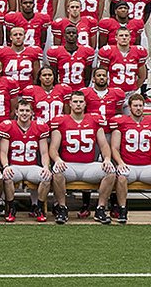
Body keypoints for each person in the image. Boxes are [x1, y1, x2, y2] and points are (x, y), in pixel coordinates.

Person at [49, 91, 116, 224]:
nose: (78, 104)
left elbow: (104, 145)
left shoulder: (94, 120)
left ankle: (100, 208)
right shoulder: (61, 121)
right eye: (75, 102)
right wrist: (57, 159)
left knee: (111, 171)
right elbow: (53, 148)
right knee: (57, 171)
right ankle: (62, 208)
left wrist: (107, 159)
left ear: (85, 104)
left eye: (81, 102)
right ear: (70, 104)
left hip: (89, 165)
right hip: (69, 165)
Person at [0, 101, 52, 222]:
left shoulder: (39, 127)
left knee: (47, 178)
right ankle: (11, 207)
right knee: (7, 177)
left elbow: (44, 152)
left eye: (27, 111)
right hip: (15, 165)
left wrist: (46, 167)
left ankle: (38, 207)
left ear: (32, 113)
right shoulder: (8, 126)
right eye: (22, 110)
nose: (24, 113)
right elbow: (3, 152)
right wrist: (6, 166)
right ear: (16, 112)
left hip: (31, 166)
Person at [109, 94, 151, 224]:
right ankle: (122, 209)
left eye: (140, 105)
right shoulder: (121, 122)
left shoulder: (149, 122)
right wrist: (120, 163)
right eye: (135, 106)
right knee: (121, 177)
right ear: (130, 107)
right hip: (129, 165)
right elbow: (114, 148)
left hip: (147, 166)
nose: (138, 108)